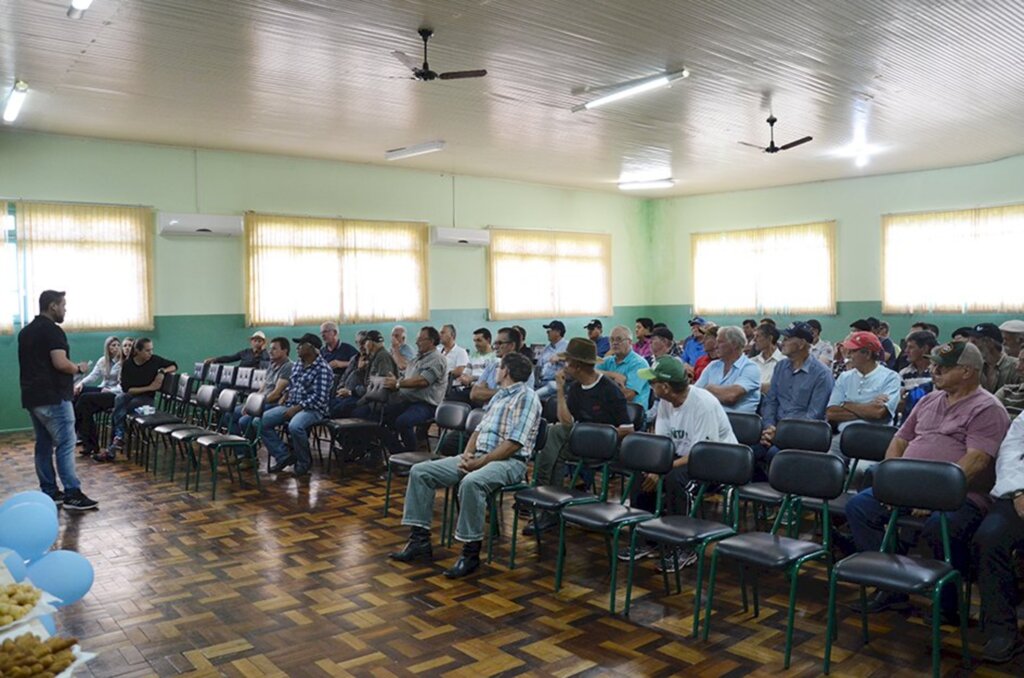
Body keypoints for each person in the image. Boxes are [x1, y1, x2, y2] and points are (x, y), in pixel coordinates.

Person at [845, 341, 1009, 625]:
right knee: (860, 507)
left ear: (968, 371)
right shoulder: (929, 399)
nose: (934, 371)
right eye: (934, 365)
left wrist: (932, 495)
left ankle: (949, 603)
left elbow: (977, 461)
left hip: (960, 495)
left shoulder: (987, 408)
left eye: (943, 368)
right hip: (910, 490)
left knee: (939, 526)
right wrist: (893, 484)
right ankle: (891, 586)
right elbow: (899, 440)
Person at [390, 352, 542, 578]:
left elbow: (513, 443)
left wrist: (480, 462)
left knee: (472, 482)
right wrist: (468, 455)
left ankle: (470, 553)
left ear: (506, 371)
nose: (496, 370)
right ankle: (419, 541)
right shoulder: (499, 396)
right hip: (480, 455)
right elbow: (478, 431)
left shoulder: (527, 397)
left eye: (499, 367)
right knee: (421, 471)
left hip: (509, 462)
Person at [626, 356, 737, 570]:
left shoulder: (702, 404)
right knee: (642, 477)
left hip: (719, 463)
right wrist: (655, 468)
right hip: (685, 458)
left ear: (665, 387)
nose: (649, 386)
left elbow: (702, 454)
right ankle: (647, 542)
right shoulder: (666, 403)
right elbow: (662, 444)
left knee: (676, 481)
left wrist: (663, 469)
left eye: (653, 382)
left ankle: (684, 547)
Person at [526, 338, 632, 534]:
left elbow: (628, 429)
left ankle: (542, 498)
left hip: (606, 448)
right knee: (555, 439)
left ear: (578, 366)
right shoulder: (575, 388)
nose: (564, 366)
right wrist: (559, 390)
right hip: (580, 443)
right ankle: (550, 508)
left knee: (556, 436)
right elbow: (567, 422)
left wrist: (599, 433)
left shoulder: (609, 390)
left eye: (567, 362)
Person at [17, 290, 99, 510]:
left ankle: (50, 491)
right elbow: (60, 363)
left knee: (43, 444)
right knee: (65, 444)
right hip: (53, 397)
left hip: (33, 397)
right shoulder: (53, 331)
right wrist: (78, 368)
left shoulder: (25, 332)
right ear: (53, 306)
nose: (65, 309)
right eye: (63, 305)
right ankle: (73, 493)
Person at [973, 412, 1024, 663]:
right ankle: (1002, 629)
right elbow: (1011, 451)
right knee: (989, 538)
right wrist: (1018, 490)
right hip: (1020, 493)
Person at [758, 322, 835, 466]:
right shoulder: (781, 367)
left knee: (774, 454)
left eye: (787, 339)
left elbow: (814, 415)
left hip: (803, 434)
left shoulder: (821, 374)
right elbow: (771, 401)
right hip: (775, 430)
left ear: (801, 344)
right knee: (750, 451)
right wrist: (769, 427)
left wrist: (782, 434)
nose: (782, 342)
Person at [262, 333, 333, 476]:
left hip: (313, 410)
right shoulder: (299, 365)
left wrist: (297, 408)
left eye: (301, 345)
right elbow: (293, 385)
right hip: (292, 404)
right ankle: (283, 456)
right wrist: (286, 394)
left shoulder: (323, 369)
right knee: (260, 421)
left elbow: (319, 398)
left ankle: (304, 463)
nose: (297, 348)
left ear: (312, 348)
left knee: (295, 426)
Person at [825, 331, 900, 457]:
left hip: (874, 440)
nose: (849, 355)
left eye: (853, 351)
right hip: (843, 437)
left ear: (867, 354)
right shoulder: (845, 377)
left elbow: (878, 413)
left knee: (861, 471)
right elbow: (831, 413)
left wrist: (844, 404)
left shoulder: (890, 377)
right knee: (825, 465)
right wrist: (867, 406)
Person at [102, 337, 177, 461]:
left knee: (118, 409)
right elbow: (127, 389)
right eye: (147, 350)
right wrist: (150, 387)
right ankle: (117, 441)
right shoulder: (128, 364)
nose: (150, 353)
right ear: (137, 351)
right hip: (131, 396)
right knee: (120, 399)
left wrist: (162, 371)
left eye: (151, 350)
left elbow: (174, 365)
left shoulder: (155, 360)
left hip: (146, 401)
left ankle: (117, 441)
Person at [376, 327, 448, 454]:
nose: (416, 342)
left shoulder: (437, 359)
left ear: (431, 341)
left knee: (403, 422)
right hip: (408, 401)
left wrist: (398, 383)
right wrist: (396, 379)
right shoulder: (417, 358)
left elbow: (422, 381)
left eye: (420, 339)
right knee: (379, 416)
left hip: (427, 405)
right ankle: (399, 453)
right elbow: (407, 377)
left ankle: (411, 456)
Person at [694, 325, 761, 414]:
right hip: (711, 419)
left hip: (737, 423)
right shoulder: (713, 366)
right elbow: (695, 394)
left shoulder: (750, 368)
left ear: (735, 345)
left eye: (720, 342)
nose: (715, 346)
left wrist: (709, 388)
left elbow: (730, 396)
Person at [73, 336, 122, 457]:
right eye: (112, 345)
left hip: (115, 394)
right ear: (107, 348)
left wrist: (110, 390)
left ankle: (80, 436)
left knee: (83, 401)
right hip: (103, 389)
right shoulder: (102, 360)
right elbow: (93, 376)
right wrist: (80, 384)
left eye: (117, 345)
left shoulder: (123, 362)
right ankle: (89, 444)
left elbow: (123, 385)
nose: (115, 348)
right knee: (79, 395)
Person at [232, 337, 292, 434]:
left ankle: (249, 447)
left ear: (285, 351)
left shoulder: (288, 366)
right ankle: (240, 446)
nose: (270, 351)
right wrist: (252, 402)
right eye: (270, 348)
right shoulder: (271, 365)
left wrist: (255, 404)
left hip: (272, 403)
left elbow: (276, 394)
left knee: (244, 421)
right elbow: (262, 388)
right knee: (230, 413)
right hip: (262, 401)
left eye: (274, 349)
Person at [471, 327, 535, 406]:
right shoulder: (492, 365)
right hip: (487, 413)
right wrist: (505, 392)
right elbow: (474, 394)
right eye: (495, 343)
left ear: (512, 345)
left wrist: (486, 391)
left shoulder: (524, 368)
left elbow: (520, 398)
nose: (495, 346)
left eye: (500, 343)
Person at [596, 325, 651, 408]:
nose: (614, 343)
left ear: (629, 342)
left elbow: (627, 395)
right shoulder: (607, 361)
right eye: (611, 340)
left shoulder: (639, 364)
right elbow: (589, 374)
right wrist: (613, 375)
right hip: (608, 409)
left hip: (630, 413)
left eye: (619, 339)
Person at [897, 330, 939, 421]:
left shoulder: (938, 372)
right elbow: (898, 404)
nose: (906, 351)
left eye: (911, 347)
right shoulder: (904, 373)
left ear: (924, 349)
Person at [970, 323, 1019, 394]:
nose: (971, 346)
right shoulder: (976, 368)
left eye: (974, 342)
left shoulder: (1016, 367)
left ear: (989, 343)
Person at [534, 320, 569, 400]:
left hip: (556, 382)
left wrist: (561, 358)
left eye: (549, 331)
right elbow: (538, 367)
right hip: (542, 382)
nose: (547, 333)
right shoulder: (546, 348)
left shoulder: (568, 346)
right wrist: (536, 381)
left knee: (534, 396)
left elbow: (575, 363)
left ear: (558, 332)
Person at [204, 330, 269, 369]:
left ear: (263, 343)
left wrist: (263, 350)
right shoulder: (245, 352)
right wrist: (215, 360)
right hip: (239, 375)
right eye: (255, 340)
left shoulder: (267, 354)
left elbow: (266, 363)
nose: (257, 343)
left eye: (259, 341)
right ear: (251, 342)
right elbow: (230, 358)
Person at [751, 323, 783, 394]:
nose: (754, 340)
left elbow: (781, 388)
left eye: (758, 336)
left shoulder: (784, 362)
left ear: (770, 338)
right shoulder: (751, 362)